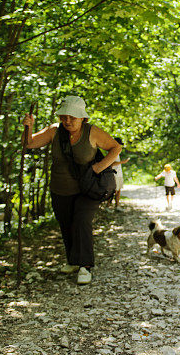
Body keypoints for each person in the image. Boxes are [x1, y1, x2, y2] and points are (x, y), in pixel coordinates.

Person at [22, 95, 121, 285]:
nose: (67, 121)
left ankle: (85, 266)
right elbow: (29, 143)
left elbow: (116, 148)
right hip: (60, 188)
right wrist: (29, 126)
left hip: (88, 188)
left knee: (82, 221)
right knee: (66, 223)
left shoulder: (92, 132)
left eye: (72, 118)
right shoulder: (54, 131)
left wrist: (98, 167)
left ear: (83, 118)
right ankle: (73, 260)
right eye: (64, 117)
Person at [109, 137, 129, 210]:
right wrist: (122, 162)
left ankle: (117, 206)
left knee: (118, 190)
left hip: (119, 174)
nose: (120, 146)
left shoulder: (117, 152)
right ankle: (108, 206)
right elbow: (111, 164)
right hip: (115, 174)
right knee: (114, 191)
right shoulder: (113, 151)